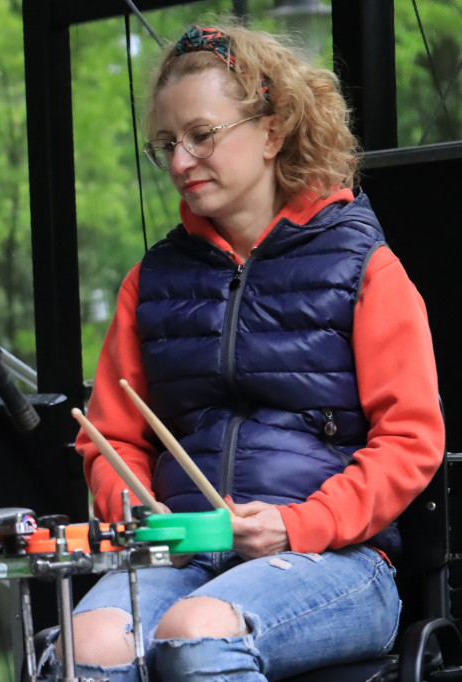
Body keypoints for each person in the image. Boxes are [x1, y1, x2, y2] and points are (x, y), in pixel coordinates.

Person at [66, 22, 444, 682]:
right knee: (88, 645)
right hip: (185, 558)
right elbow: (108, 439)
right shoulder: (148, 282)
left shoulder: (367, 269)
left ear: (272, 131)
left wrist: (298, 524)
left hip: (340, 561)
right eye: (166, 145)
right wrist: (133, 510)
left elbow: (411, 440)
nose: (181, 162)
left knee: (196, 633)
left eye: (201, 135)